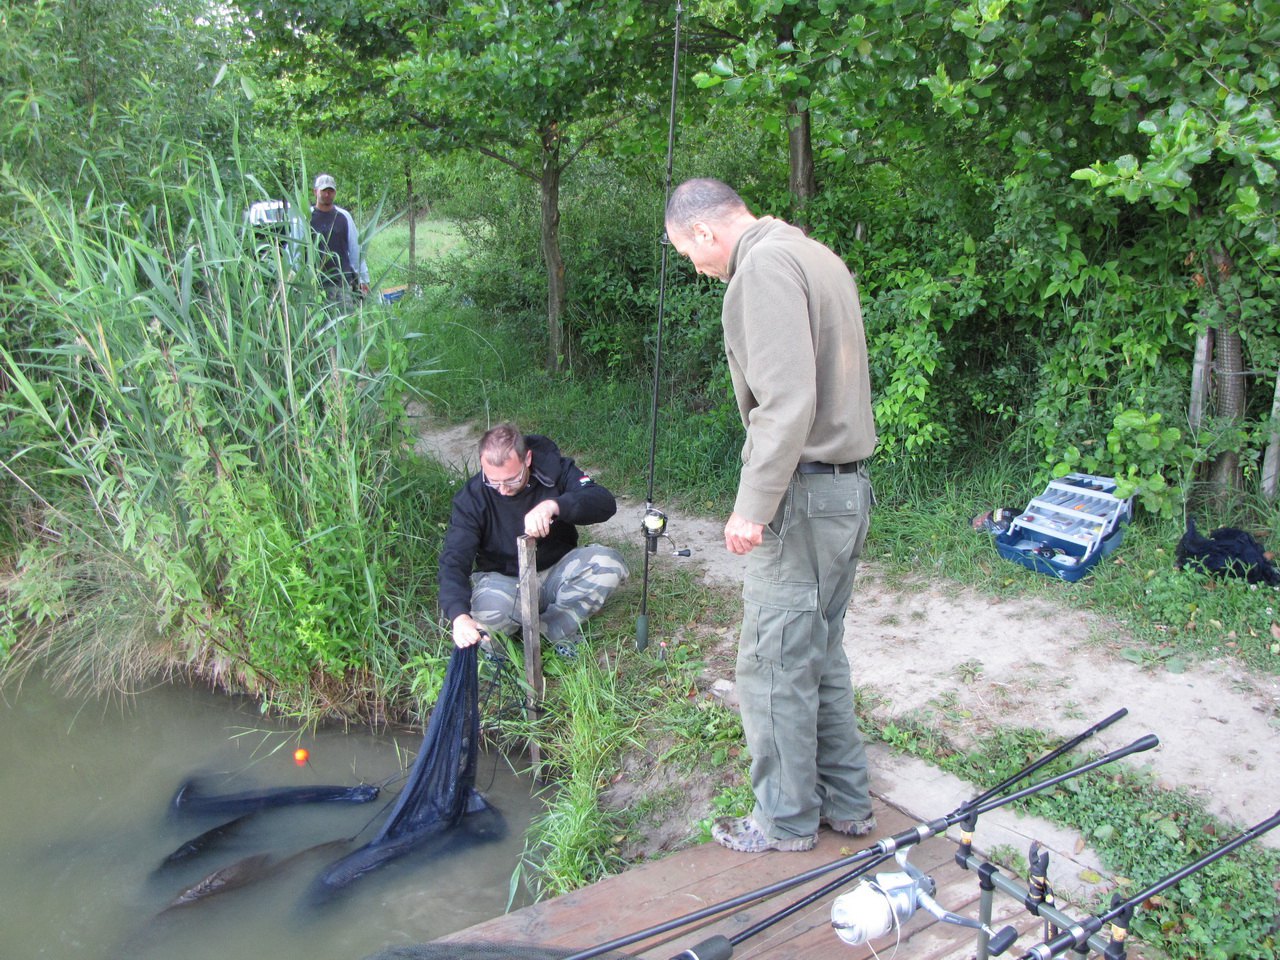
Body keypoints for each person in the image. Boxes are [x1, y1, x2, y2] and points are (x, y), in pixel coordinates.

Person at [665, 178, 878, 853]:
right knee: (822, 656)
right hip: (846, 492)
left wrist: (751, 508)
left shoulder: (761, 268)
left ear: (704, 231)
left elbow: (786, 402)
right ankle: (847, 804)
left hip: (802, 501)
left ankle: (784, 822)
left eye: (688, 253)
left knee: (772, 665)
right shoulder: (816, 255)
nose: (696, 269)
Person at [438, 424, 630, 659]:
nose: (503, 490)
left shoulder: (554, 469)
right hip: (504, 581)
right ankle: (505, 642)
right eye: (493, 482)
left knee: (608, 564)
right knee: (483, 622)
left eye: (511, 479)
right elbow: (453, 561)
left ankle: (551, 629)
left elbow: (604, 502)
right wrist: (459, 617)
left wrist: (556, 505)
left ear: (527, 458)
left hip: (556, 571)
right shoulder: (471, 498)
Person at [309, 173, 370, 303]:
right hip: (315, 285)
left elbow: (355, 249)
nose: (327, 194)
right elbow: (296, 251)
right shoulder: (307, 217)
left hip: (343, 283)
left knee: (346, 320)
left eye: (330, 191)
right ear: (315, 192)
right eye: (324, 191)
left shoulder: (344, 216)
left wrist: (363, 279)